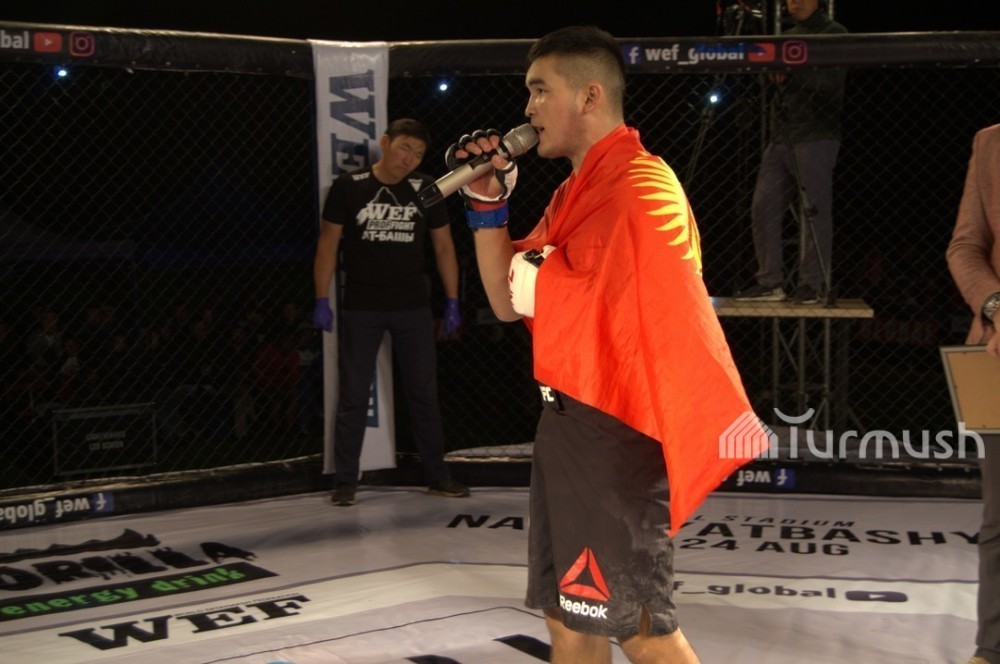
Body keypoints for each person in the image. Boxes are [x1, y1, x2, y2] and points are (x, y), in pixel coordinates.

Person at [449, 25, 767, 663]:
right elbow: (509, 301)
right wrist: (488, 209)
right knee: (570, 620)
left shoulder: (646, 184)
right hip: (566, 423)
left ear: (589, 95)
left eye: (541, 91)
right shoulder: (577, 189)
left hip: (616, 432)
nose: (528, 108)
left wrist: (543, 275)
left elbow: (644, 293)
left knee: (640, 627)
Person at [312, 118, 469, 507]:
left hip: (412, 306)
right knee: (353, 394)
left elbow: (444, 246)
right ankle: (345, 481)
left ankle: (437, 474)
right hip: (362, 305)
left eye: (417, 154)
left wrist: (453, 300)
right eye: (404, 148)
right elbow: (328, 244)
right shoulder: (350, 187)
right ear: (385, 143)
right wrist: (320, 298)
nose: (409, 159)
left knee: (423, 392)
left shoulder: (427, 188)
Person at [734, 0, 847, 304]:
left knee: (814, 210)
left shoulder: (833, 33)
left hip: (816, 134)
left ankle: (812, 283)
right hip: (781, 135)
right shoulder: (785, 37)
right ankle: (770, 281)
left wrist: (792, 71)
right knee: (763, 206)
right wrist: (771, 73)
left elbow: (832, 84)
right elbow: (766, 82)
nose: (795, 2)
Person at [946, 122, 1000, 664]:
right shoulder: (990, 144)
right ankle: (992, 648)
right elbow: (966, 247)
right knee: (999, 518)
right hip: (996, 355)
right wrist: (995, 306)